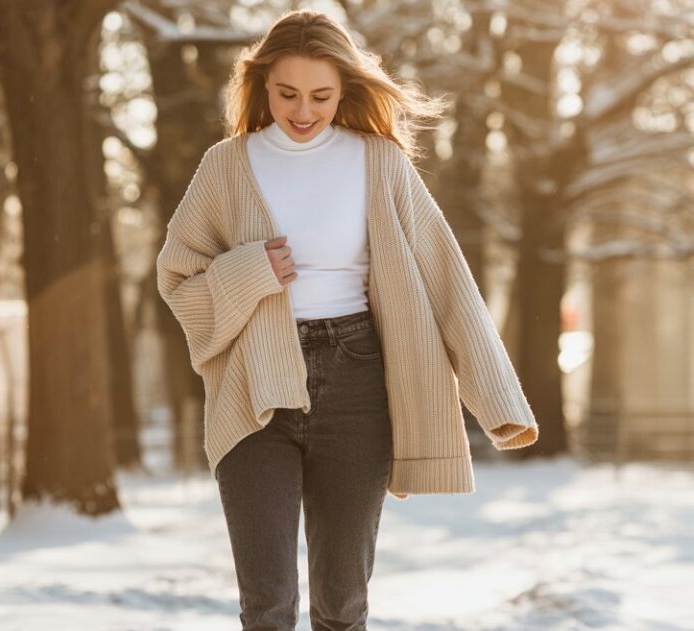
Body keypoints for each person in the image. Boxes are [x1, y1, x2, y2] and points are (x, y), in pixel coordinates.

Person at [156, 8, 539, 631]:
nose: (303, 111)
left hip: (358, 381)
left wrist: (495, 400)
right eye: (287, 93)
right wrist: (249, 271)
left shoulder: (379, 162)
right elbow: (177, 280)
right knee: (267, 606)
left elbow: (446, 277)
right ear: (261, 84)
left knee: (342, 606)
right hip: (255, 388)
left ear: (345, 91)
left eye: (321, 96)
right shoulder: (225, 166)